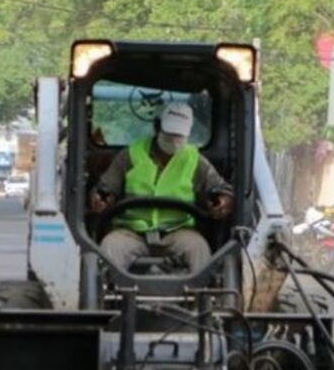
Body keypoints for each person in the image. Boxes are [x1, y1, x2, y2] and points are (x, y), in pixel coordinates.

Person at [89, 102, 234, 272]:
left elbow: (220, 188)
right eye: (169, 133)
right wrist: (100, 199)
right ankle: (105, 295)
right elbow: (106, 187)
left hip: (178, 231)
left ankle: (200, 296)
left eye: (178, 136)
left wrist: (224, 200)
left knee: (199, 249)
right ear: (157, 126)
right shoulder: (130, 155)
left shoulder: (194, 160)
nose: (173, 140)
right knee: (110, 247)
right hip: (131, 232)